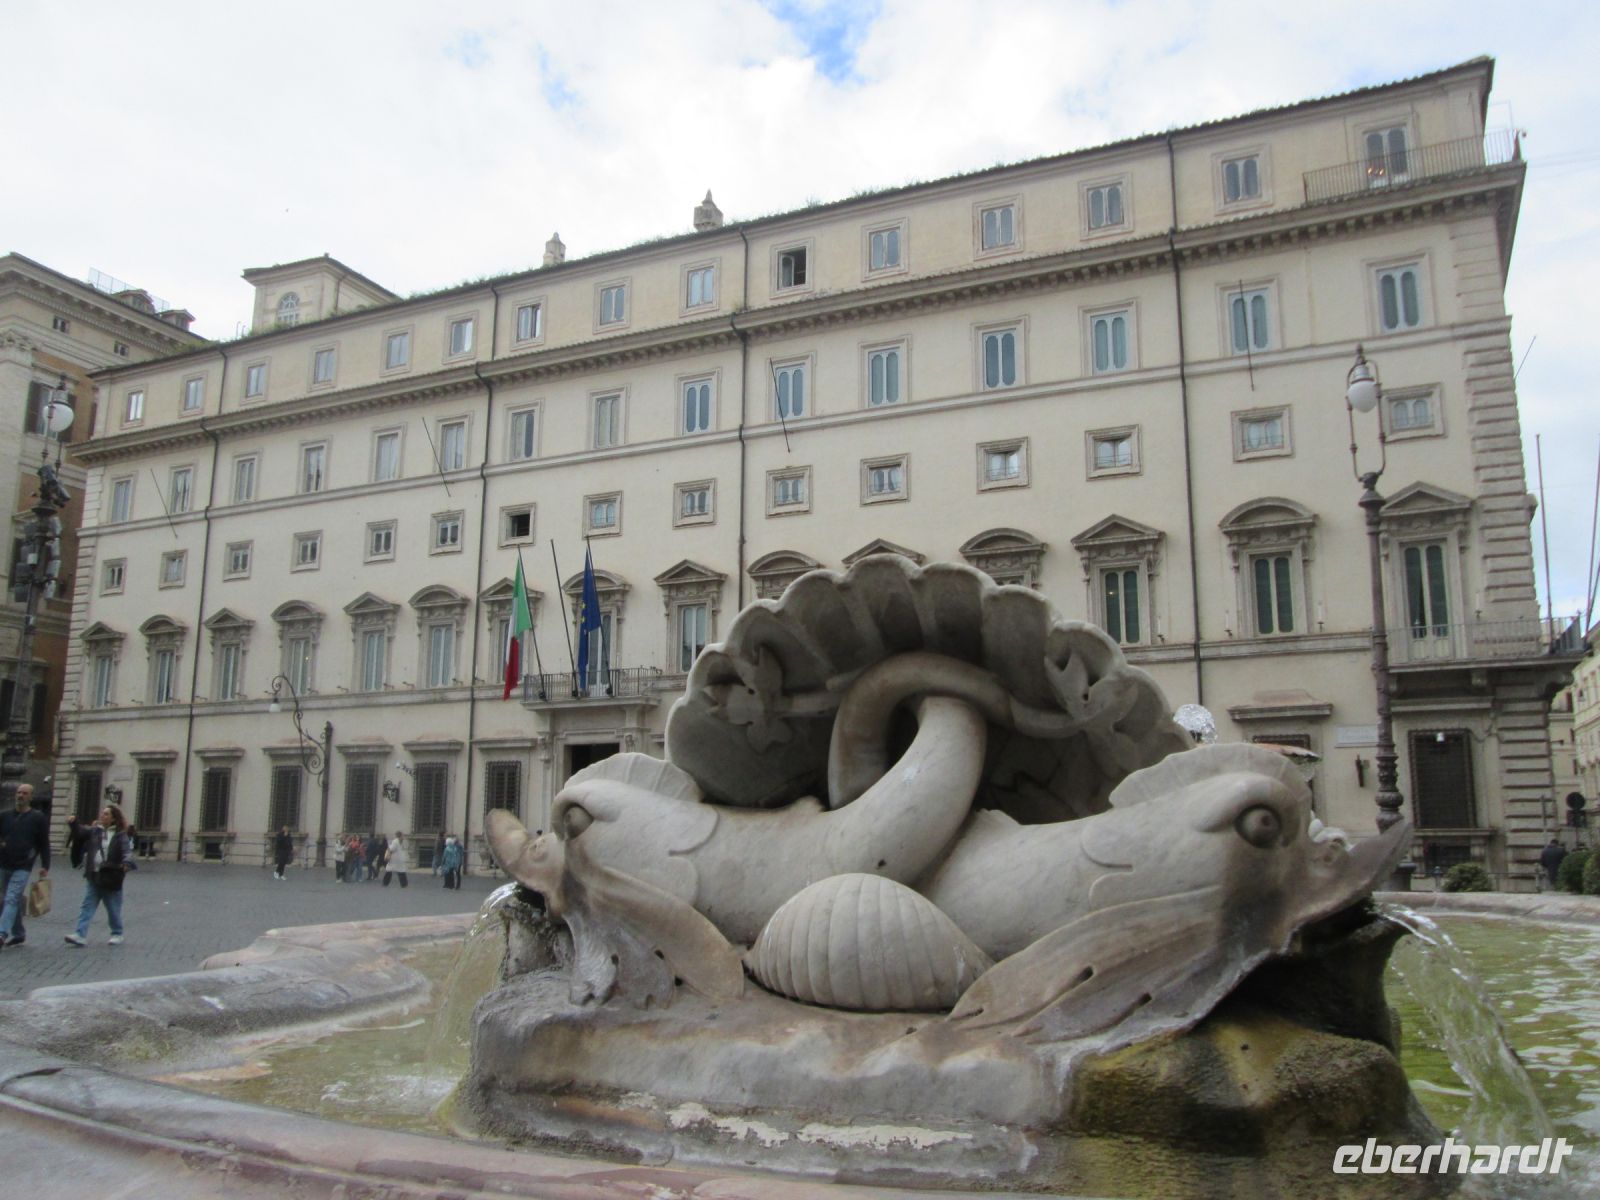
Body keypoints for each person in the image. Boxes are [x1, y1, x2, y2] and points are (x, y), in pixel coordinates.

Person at [65, 803, 131, 947]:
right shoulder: (95, 831)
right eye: (102, 813)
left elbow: (127, 851)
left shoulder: (120, 835)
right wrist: (73, 822)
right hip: (94, 875)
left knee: (113, 908)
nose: (102, 816)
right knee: (87, 905)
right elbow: (80, 832)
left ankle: (117, 933)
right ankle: (80, 934)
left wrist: (126, 863)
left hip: (111, 876)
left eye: (106, 814)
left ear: (113, 819)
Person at [0, 783, 51, 950]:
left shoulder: (38, 818)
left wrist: (45, 864)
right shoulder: (5, 816)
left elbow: (44, 843)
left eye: (24, 793)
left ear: (31, 797)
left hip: (23, 865)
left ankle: (2, 933)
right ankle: (19, 933)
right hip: (4, 863)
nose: (20, 795)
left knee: (11, 898)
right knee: (8, 899)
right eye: (19, 792)